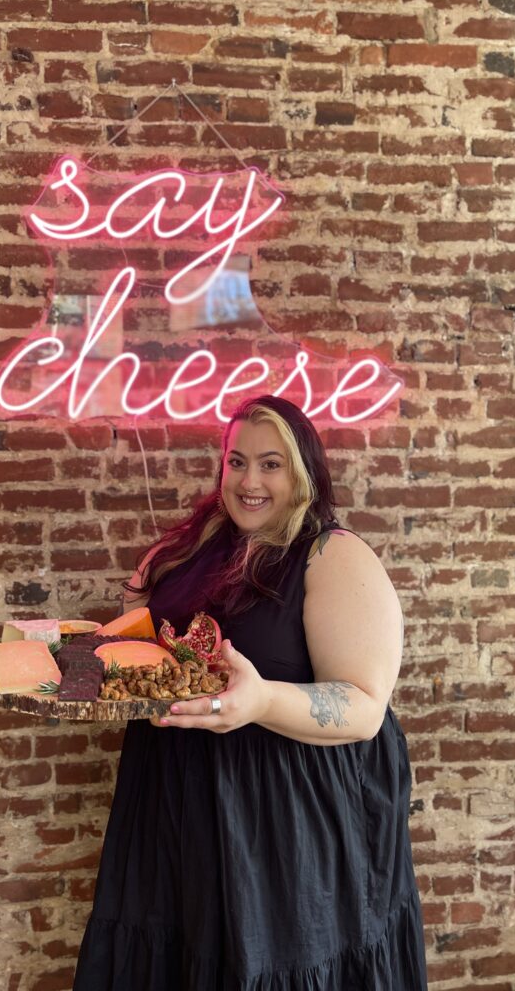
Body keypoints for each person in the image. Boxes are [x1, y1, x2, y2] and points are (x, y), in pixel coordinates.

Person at [73, 394, 428, 990]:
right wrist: (136, 607)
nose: (249, 480)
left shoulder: (333, 557)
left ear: (304, 472)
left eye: (271, 464)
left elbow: (364, 707)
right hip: (177, 798)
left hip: (287, 815)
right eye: (236, 462)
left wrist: (261, 701)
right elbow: (162, 650)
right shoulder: (196, 548)